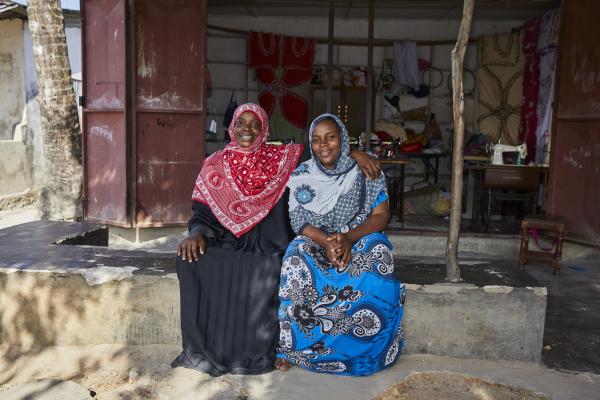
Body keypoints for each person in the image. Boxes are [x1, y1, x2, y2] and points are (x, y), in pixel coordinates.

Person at [172, 103, 381, 377]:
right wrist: (196, 233)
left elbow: (321, 150)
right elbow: (202, 210)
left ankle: (261, 353)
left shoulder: (282, 158)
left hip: (268, 243)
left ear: (264, 129)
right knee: (191, 261)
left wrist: (355, 153)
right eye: (241, 123)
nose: (247, 129)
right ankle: (203, 350)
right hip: (226, 239)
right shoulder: (214, 164)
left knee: (267, 267)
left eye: (254, 123)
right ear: (231, 129)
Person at [275, 113, 406, 377]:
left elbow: (381, 215)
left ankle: (365, 350)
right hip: (317, 240)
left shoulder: (367, 169)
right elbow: (298, 221)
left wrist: (349, 238)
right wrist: (327, 242)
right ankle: (294, 349)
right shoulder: (302, 175)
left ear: (343, 139)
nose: (323, 145)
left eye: (331, 137)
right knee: (295, 256)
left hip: (356, 236)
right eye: (316, 140)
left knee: (378, 253)